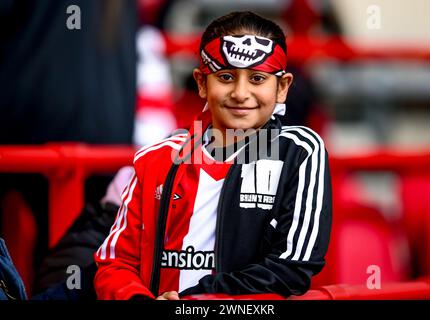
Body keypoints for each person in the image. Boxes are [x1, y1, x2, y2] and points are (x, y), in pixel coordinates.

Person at [94, 11, 332, 300]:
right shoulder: (158, 157)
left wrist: (194, 301)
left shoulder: (299, 151)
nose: (241, 93)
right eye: (226, 77)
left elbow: (292, 268)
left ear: (282, 88)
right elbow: (115, 263)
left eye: (257, 78)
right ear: (202, 83)